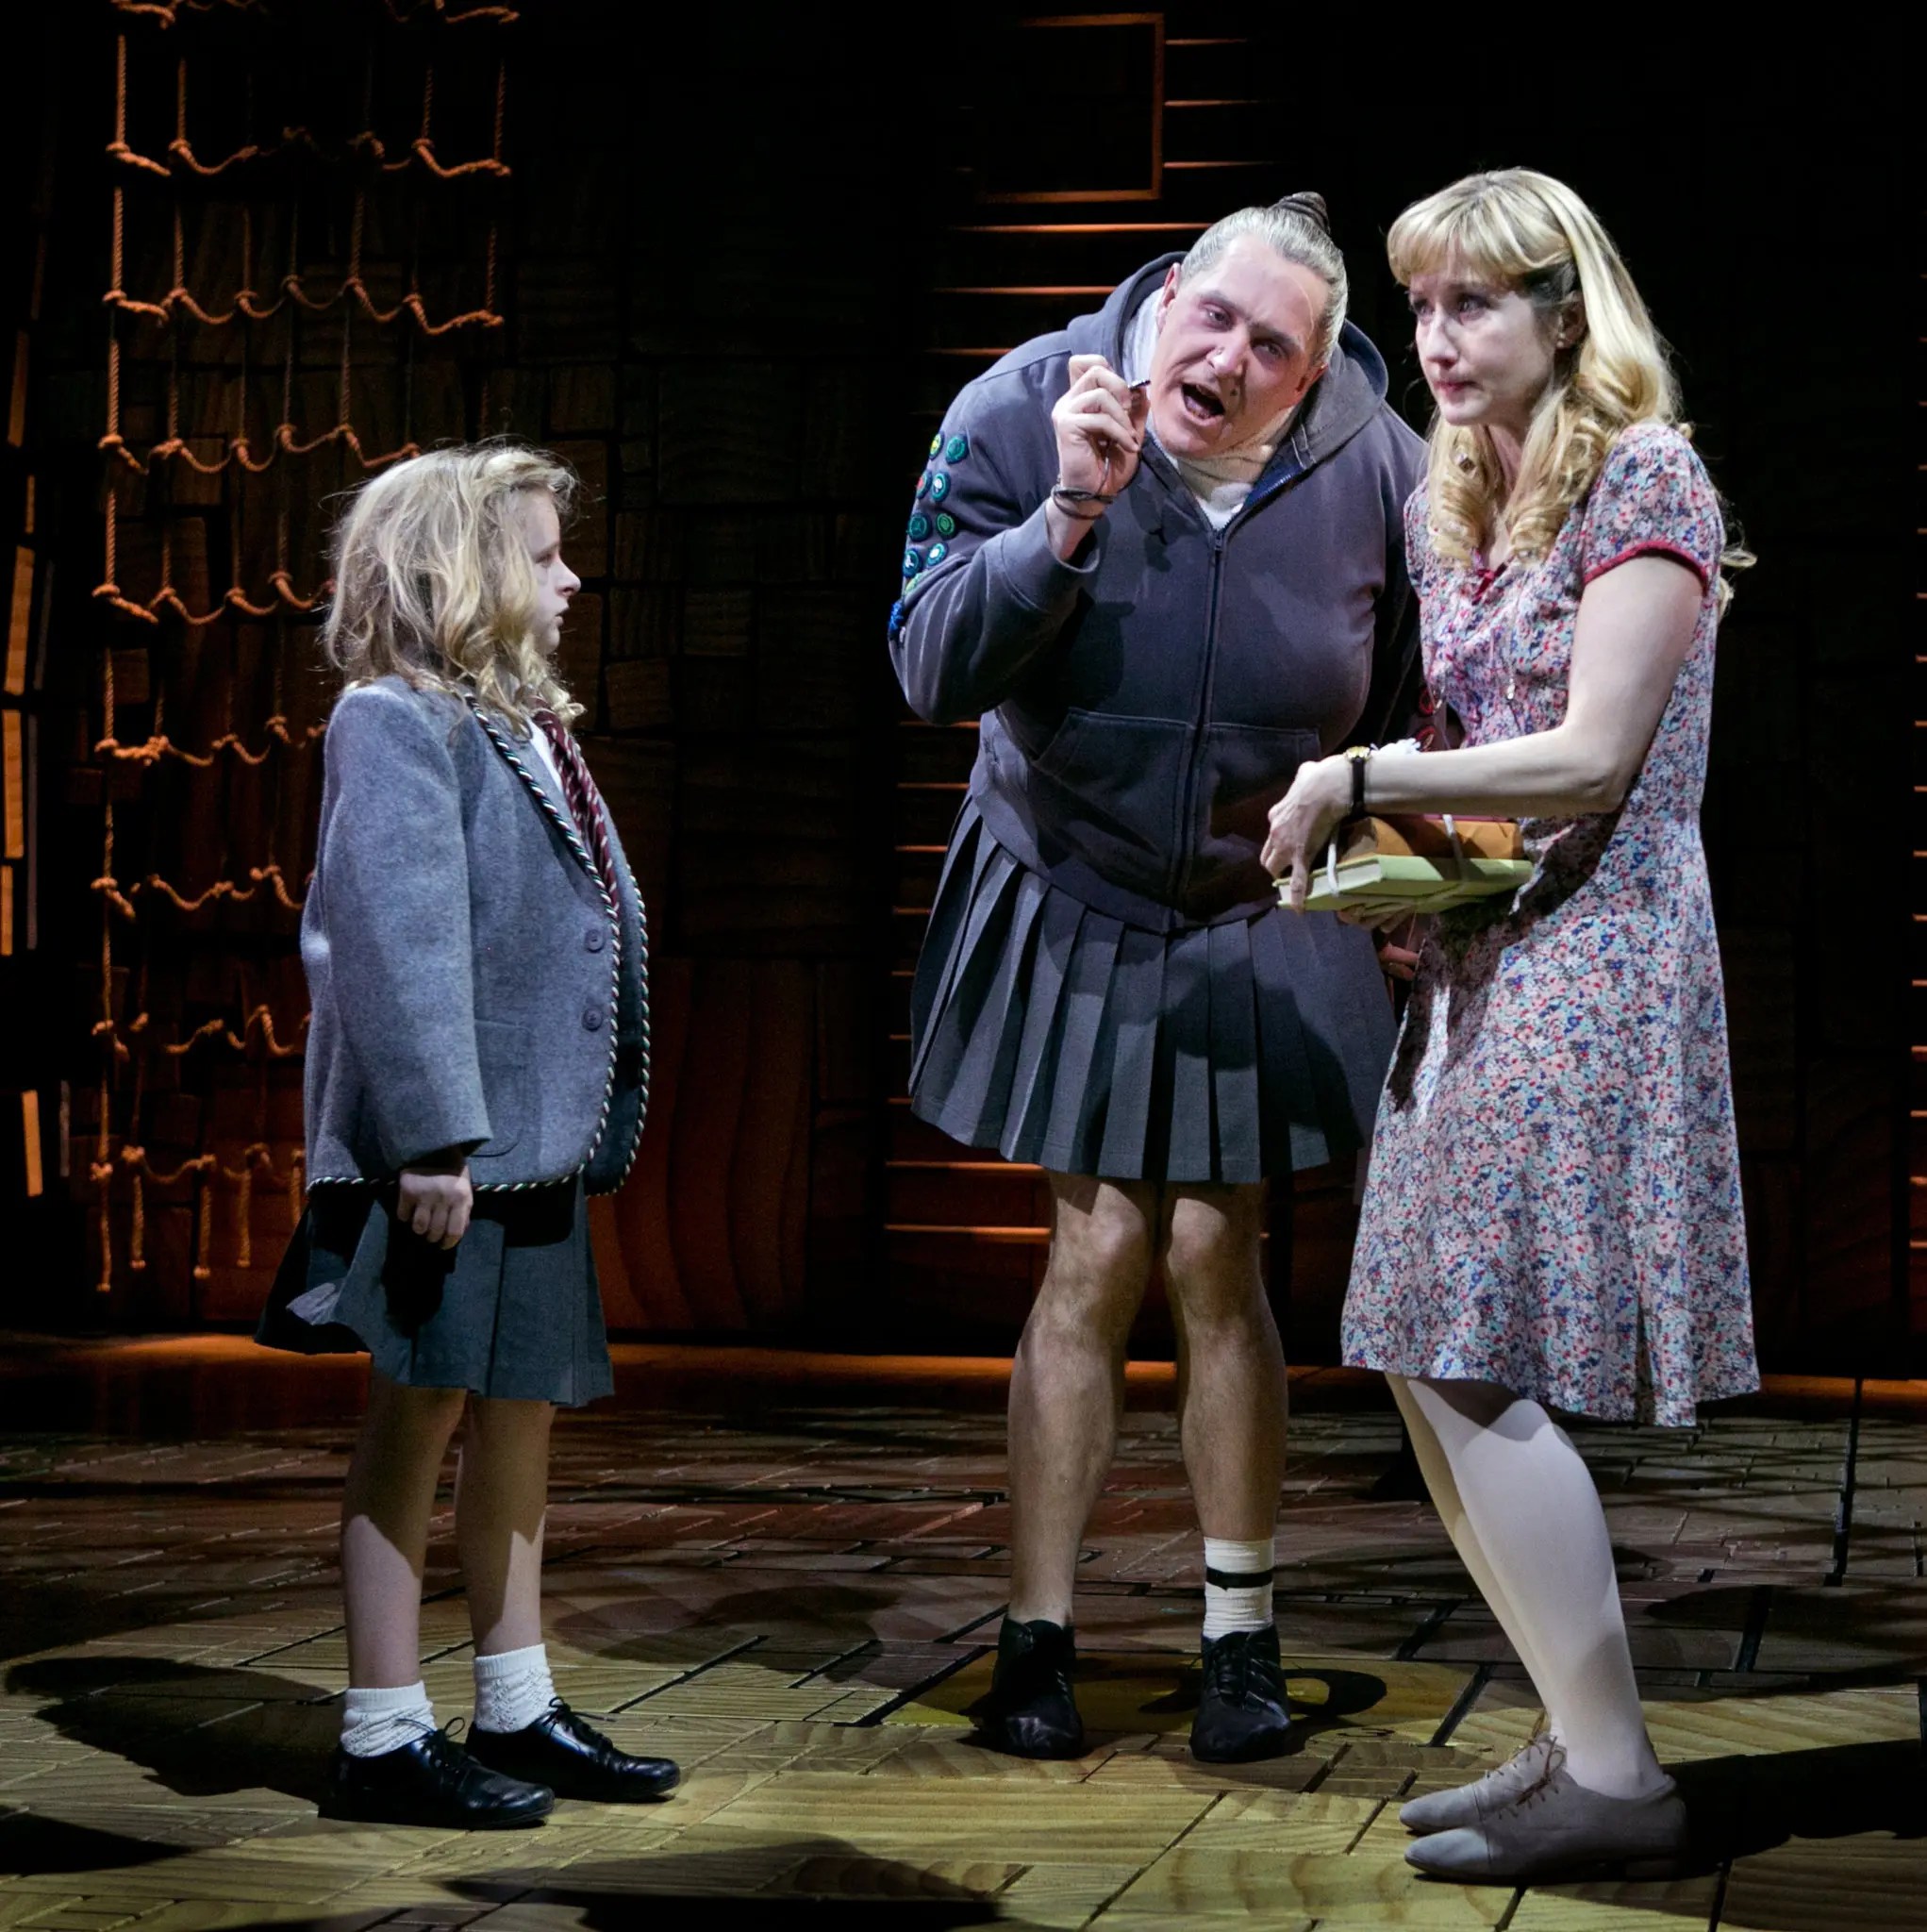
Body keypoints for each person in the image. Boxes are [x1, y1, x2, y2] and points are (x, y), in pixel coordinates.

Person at [1264, 169, 1758, 1879]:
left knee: (1477, 1352)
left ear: (1567, 312)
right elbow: (1496, 785)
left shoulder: (1649, 477)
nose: (1438, 340)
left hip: (1599, 966)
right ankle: (1575, 1734)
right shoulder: (1457, 497)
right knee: (1418, 1346)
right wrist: (1398, 884)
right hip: (1487, 962)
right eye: (1422, 307)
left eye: (1474, 302)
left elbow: (1591, 756)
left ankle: (1621, 1777)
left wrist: (1363, 776)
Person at [890, 194, 1424, 1761]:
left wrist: (1365, 852)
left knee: (1219, 1245)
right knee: (1096, 1239)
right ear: (1171, 291)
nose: (1233, 360)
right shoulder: (1018, 402)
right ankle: (1038, 1640)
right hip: (1074, 876)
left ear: (1318, 371)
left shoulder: (1375, 465)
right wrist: (1063, 519)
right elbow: (930, 665)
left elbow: (1404, 681)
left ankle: (1240, 1639)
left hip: (1254, 892)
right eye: (1218, 319)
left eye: (1276, 349)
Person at [257, 444, 677, 1827]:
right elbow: (399, 941)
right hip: (453, 1155)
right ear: (463, 571)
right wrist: (435, 1136)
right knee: (418, 1412)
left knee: (519, 1412)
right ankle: (382, 1726)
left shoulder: (516, 722)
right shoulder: (395, 720)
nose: (570, 578)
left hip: (532, 1149)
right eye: (544, 556)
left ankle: (516, 1697)